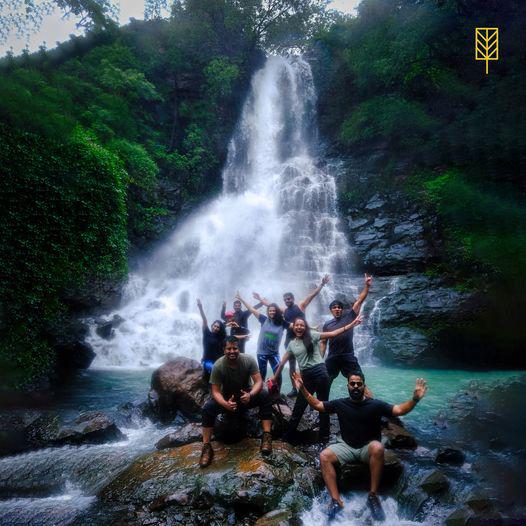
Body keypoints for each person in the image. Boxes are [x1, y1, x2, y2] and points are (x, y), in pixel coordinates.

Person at [293, 371, 427, 521]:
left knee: (378, 447)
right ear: (348, 386)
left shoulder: (375, 404)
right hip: (346, 446)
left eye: (359, 384)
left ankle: (372, 495)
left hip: (367, 448)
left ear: (364, 386)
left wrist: (415, 399)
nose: (356, 386)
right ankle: (336, 500)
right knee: (324, 456)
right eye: (352, 384)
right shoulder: (340, 404)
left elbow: (399, 410)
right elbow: (318, 405)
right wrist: (302, 388)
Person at [270, 314, 363, 443]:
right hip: (306, 376)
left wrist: (351, 325)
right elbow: (281, 363)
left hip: (320, 373)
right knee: (299, 406)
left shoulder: (312, 335)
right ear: (293, 327)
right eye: (297, 325)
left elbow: (333, 334)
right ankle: (288, 436)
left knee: (323, 406)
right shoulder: (292, 344)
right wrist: (274, 379)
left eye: (302, 325)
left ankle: (324, 439)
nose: (299, 327)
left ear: (305, 327)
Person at [199, 336, 273, 467]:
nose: (232, 351)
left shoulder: (248, 360)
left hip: (245, 396)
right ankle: (206, 447)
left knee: (265, 395)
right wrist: (225, 404)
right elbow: (215, 391)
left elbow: (258, 382)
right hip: (227, 399)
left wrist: (250, 395)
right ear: (224, 350)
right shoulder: (218, 365)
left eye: (235, 348)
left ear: (239, 349)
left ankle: (267, 436)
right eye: (229, 349)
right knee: (208, 408)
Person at [254, 274, 330, 397]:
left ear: (293, 299)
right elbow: (271, 306)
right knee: (292, 365)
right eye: (285, 299)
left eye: (289, 299)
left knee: (305, 364)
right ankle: (295, 388)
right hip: (290, 340)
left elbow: (311, 296)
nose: (287, 301)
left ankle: (306, 387)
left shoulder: (300, 306)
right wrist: (260, 299)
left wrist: (322, 284)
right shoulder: (284, 310)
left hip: (304, 338)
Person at [321, 273, 372, 394]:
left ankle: (370, 403)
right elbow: (323, 342)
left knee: (359, 381)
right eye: (334, 307)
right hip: (332, 357)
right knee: (324, 381)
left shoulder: (349, 317)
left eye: (339, 307)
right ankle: (322, 404)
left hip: (348, 356)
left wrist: (367, 286)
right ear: (331, 310)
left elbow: (360, 300)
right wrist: (320, 358)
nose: (337, 309)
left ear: (342, 309)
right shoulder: (327, 324)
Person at [235, 292, 290, 380]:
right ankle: (261, 388)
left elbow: (294, 326)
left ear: (277, 311)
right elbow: (252, 309)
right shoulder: (264, 319)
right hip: (261, 353)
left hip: (274, 353)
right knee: (262, 375)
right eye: (270, 311)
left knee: (278, 375)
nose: (272, 312)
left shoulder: (282, 323)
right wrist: (241, 299)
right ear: (268, 312)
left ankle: (276, 389)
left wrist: (308, 328)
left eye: (274, 310)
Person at [197, 299, 226, 382]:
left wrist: (243, 337)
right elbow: (205, 320)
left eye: (218, 327)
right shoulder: (207, 333)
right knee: (216, 371)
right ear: (212, 325)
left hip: (218, 362)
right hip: (207, 361)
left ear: (220, 329)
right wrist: (200, 308)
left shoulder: (221, 338)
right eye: (214, 326)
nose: (215, 328)